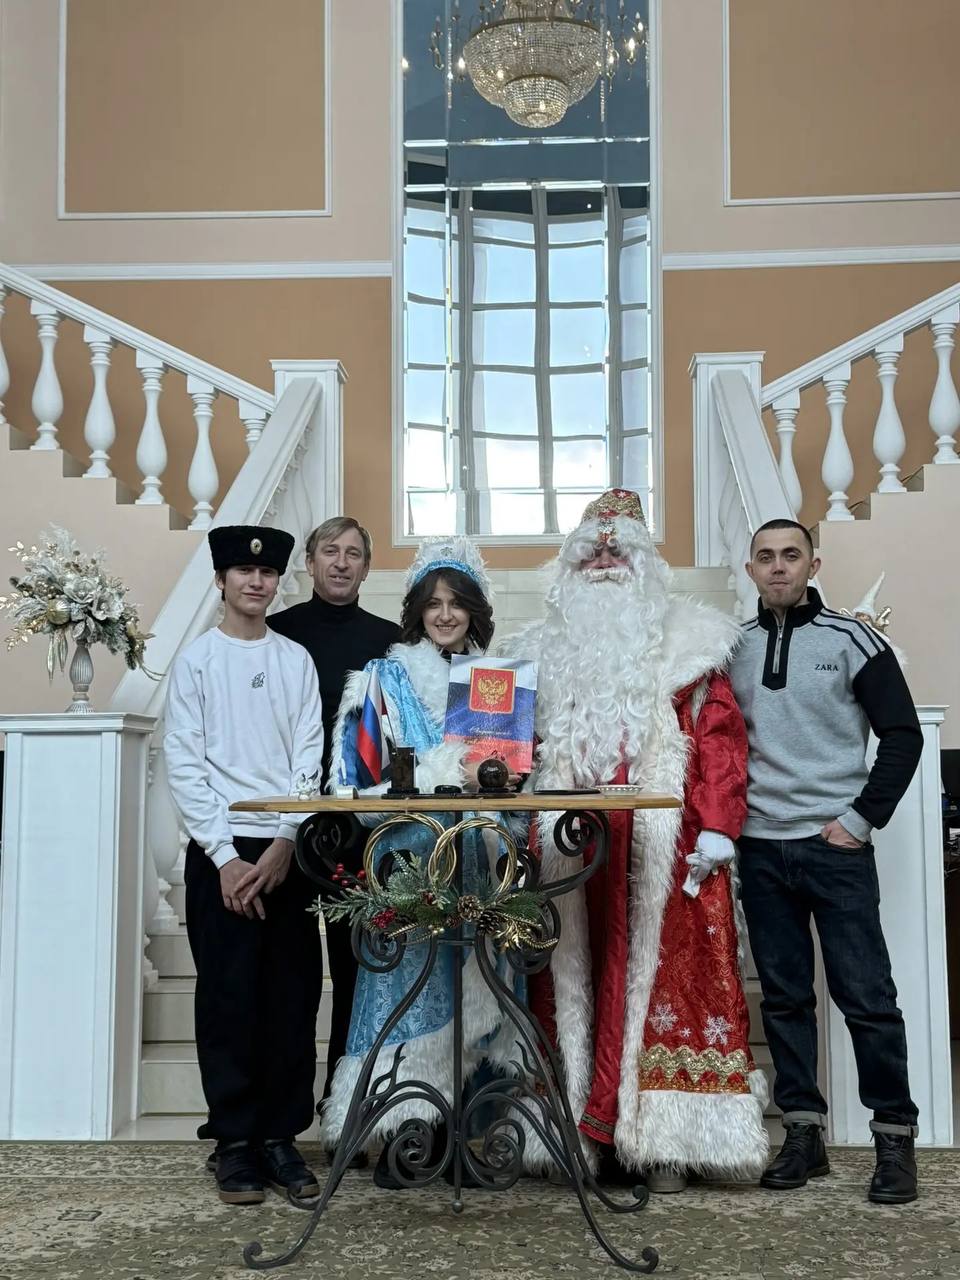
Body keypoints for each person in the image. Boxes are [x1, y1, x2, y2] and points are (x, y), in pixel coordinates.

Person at [503, 489, 768, 1191]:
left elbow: (721, 744)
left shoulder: (691, 651)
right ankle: (572, 1132)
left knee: (669, 989)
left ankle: (665, 1143)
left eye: (618, 555)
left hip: (669, 851)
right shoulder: (536, 655)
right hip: (570, 855)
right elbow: (507, 752)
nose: (604, 565)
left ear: (646, 565)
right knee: (568, 982)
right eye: (592, 555)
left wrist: (719, 826)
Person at [319, 535, 523, 1189]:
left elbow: (514, 782)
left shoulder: (498, 682)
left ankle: (469, 1132)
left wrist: (511, 781)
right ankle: (404, 1131)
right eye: (433, 603)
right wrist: (442, 773)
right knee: (408, 997)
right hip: (409, 867)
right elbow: (353, 786)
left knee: (482, 990)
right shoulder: (382, 679)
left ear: (474, 611)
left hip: (481, 866)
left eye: (456, 603)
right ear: (416, 610)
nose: (445, 614)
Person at [730, 519, 923, 1205]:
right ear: (750, 570)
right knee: (784, 999)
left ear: (814, 564)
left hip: (834, 849)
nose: (779, 567)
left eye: (791, 555)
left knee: (867, 998)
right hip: (761, 848)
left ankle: (894, 1140)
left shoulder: (852, 640)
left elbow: (902, 735)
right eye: (766, 558)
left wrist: (859, 820)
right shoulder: (734, 648)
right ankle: (803, 1135)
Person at [164, 525, 325, 1206]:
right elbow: (185, 763)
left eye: (266, 574)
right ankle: (234, 1142)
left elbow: (310, 754)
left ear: (277, 581)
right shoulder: (197, 662)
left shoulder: (295, 660)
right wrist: (226, 858)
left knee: (291, 997)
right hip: (221, 852)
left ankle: (281, 1139)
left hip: (287, 852)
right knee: (229, 999)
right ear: (222, 580)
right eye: (242, 572)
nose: (256, 582)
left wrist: (288, 838)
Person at [268, 517, 399, 1146]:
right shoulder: (277, 633)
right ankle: (284, 1117)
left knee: (356, 973)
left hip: (360, 831)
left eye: (353, 554)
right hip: (290, 828)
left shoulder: (390, 642)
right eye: (330, 551)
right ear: (311, 562)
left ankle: (344, 1108)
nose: (341, 563)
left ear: (366, 567)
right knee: (290, 981)